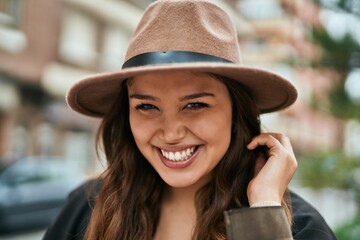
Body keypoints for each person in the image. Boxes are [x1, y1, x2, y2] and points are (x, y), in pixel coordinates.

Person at [43, 0, 337, 239]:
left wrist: (262, 212)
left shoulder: (299, 227)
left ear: (237, 111)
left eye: (195, 104)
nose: (171, 133)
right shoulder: (87, 207)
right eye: (146, 107)